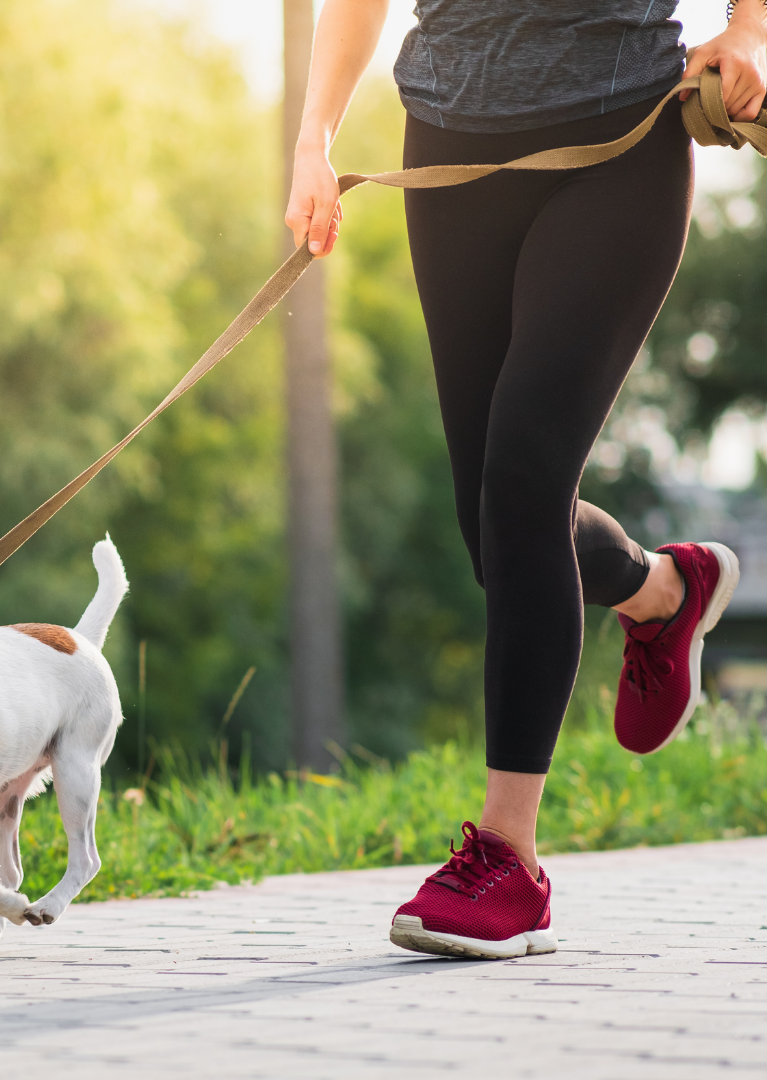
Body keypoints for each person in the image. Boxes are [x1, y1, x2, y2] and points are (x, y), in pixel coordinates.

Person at [286, 0, 767, 959]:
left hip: (618, 136)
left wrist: (749, 28)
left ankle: (511, 860)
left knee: (522, 483)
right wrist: (314, 137)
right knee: (492, 531)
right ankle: (664, 591)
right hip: (450, 147)